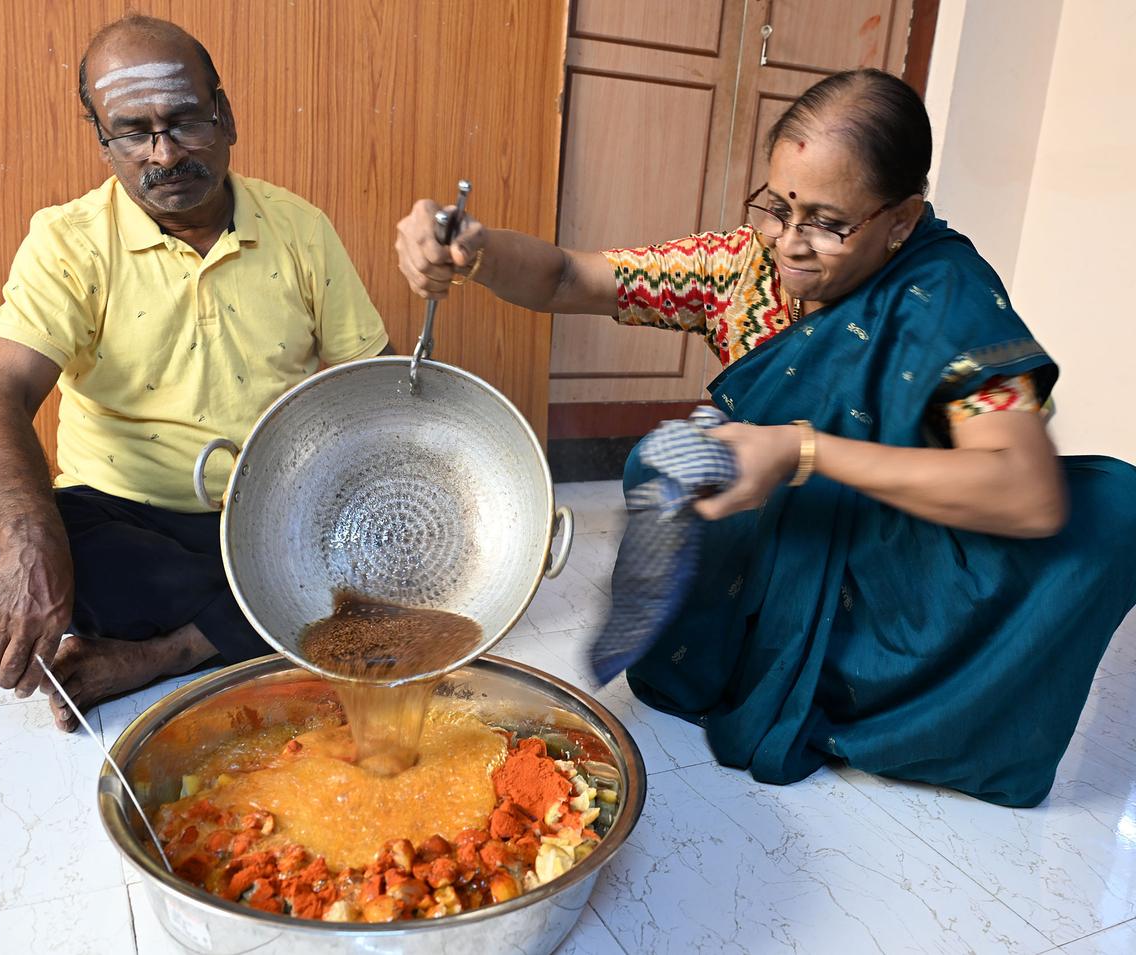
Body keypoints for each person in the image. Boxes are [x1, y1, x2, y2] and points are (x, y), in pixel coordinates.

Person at [395, 68, 1136, 808]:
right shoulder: (740, 268)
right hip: (785, 537)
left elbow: (1026, 494)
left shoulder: (953, 298)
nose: (789, 243)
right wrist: (476, 250)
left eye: (826, 221)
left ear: (902, 219)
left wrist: (802, 450)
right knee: (672, 457)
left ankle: (883, 702)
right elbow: (565, 278)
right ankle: (728, 663)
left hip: (900, 554)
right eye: (777, 206)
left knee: (1114, 510)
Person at [0, 15, 389, 732]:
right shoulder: (68, 241)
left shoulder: (301, 228)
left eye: (185, 121)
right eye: (133, 132)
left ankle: (164, 653)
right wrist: (31, 544)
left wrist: (341, 516)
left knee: (387, 542)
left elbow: (369, 393)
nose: (165, 153)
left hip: (268, 516)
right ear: (103, 139)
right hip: (126, 521)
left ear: (227, 116)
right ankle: (257, 625)